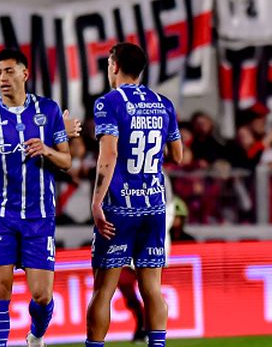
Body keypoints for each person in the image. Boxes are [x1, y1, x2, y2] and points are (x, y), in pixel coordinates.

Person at [0, 48, 71, 347]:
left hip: (39, 216)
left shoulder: (49, 110)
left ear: (25, 74)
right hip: (0, 215)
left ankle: (36, 335)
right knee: (0, 288)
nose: (2, 78)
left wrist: (48, 149)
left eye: (9, 71)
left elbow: (66, 161)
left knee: (42, 295)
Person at [86, 42, 183, 347]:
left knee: (104, 289)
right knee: (152, 288)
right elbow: (178, 155)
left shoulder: (108, 103)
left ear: (114, 65)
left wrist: (97, 201)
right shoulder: (163, 103)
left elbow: (109, 153)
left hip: (119, 206)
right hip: (154, 206)